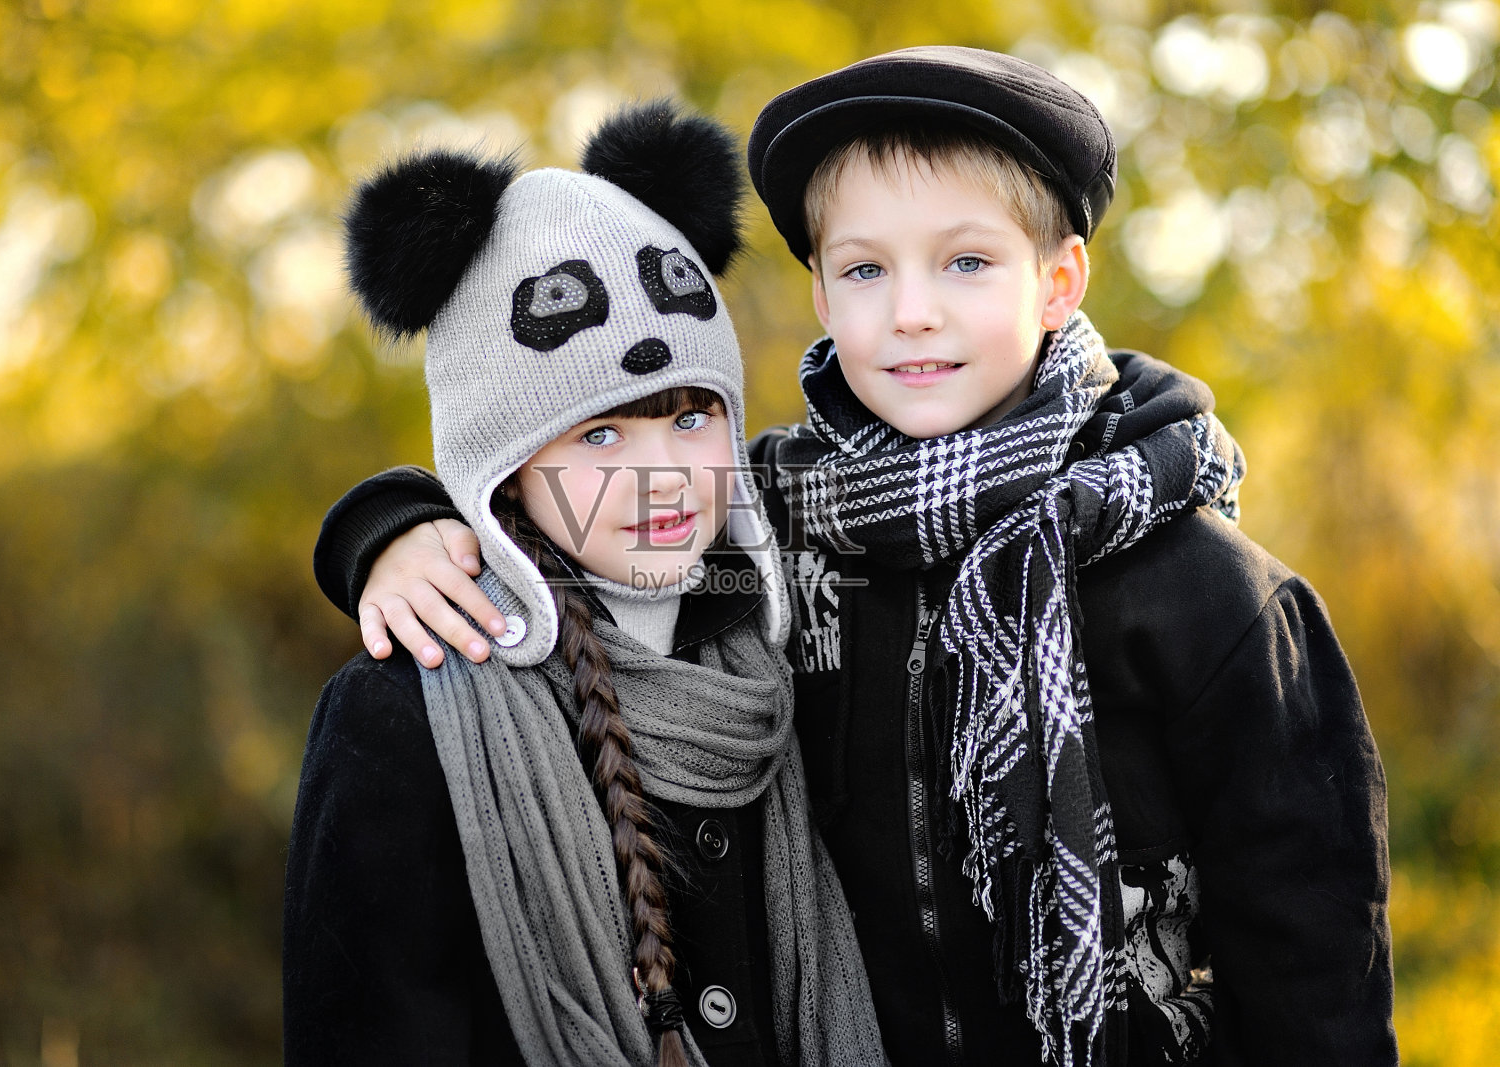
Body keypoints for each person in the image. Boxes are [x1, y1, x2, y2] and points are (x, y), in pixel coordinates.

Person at [309, 49, 1397, 1067]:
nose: (913, 313)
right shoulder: (783, 543)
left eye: (966, 261)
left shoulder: (1204, 592)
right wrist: (391, 526)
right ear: (824, 297)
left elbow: (1314, 968)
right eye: (867, 269)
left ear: (1059, 282)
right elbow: (573, 537)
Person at [282, 102, 888, 1067]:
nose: (663, 473)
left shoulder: (781, 623)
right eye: (599, 433)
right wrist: (382, 526)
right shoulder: (403, 712)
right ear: (506, 464)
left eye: (691, 417)